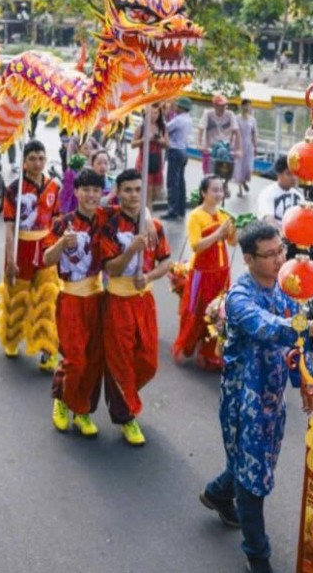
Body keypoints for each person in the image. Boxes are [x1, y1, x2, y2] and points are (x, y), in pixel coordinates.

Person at [200, 221, 313, 573]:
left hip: (272, 397)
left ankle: (216, 494)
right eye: (270, 254)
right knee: (252, 476)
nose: (279, 259)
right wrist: (307, 326)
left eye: (281, 251)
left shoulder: (285, 290)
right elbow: (266, 326)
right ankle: (257, 553)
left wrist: (303, 379)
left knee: (255, 465)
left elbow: (296, 341)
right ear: (248, 259)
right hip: (244, 400)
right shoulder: (239, 298)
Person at [99, 169, 171, 445]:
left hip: (144, 301)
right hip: (118, 300)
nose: (133, 195)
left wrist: (149, 276)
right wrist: (131, 249)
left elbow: (166, 262)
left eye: (138, 190)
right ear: (118, 192)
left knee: (148, 362)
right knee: (121, 360)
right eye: (127, 190)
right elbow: (110, 268)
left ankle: (125, 393)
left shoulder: (154, 225)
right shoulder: (110, 223)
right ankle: (126, 416)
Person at [43, 168, 109, 437]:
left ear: (101, 193)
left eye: (96, 190)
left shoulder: (105, 218)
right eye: (86, 190)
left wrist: (148, 220)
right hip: (71, 298)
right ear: (77, 192)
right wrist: (61, 243)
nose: (91, 195)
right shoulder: (64, 223)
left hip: (98, 298)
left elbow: (137, 210)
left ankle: (82, 410)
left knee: (93, 360)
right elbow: (46, 259)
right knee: (75, 359)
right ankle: (62, 400)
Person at [0, 139, 62, 371]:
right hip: (21, 248)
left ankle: (47, 349)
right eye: (32, 159)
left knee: (47, 301)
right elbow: (9, 228)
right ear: (24, 162)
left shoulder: (53, 186)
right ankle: (12, 338)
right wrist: (10, 259)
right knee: (17, 298)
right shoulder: (14, 189)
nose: (37, 163)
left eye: (41, 158)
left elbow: (56, 220)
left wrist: (58, 249)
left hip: (46, 248)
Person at [173, 175, 235, 371]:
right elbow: (196, 246)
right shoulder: (196, 216)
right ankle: (188, 345)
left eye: (221, 190)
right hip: (203, 272)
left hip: (222, 272)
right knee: (197, 311)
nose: (219, 194)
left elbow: (232, 242)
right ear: (203, 193)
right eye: (214, 190)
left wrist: (236, 230)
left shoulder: (224, 215)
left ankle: (210, 352)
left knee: (219, 313)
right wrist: (218, 233)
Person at [132, 104, 169, 212]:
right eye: (151, 113)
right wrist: (143, 140)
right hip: (143, 162)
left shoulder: (161, 128)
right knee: (146, 192)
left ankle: (146, 211)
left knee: (156, 192)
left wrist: (161, 141)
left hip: (157, 162)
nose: (154, 116)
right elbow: (133, 144)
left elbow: (168, 145)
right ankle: (148, 215)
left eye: (156, 113)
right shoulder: (141, 127)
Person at [163, 96, 193, 219]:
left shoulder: (178, 120)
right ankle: (181, 209)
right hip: (183, 151)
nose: (175, 107)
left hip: (175, 150)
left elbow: (165, 128)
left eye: (177, 106)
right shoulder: (189, 119)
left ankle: (173, 210)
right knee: (181, 181)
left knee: (172, 182)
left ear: (182, 108)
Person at [256, 156, 305, 228]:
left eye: (295, 174)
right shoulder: (267, 193)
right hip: (274, 232)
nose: (294, 178)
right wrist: (281, 232)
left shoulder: (299, 195)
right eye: (289, 174)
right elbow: (267, 218)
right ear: (279, 174)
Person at [198, 94, 239, 175]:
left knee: (225, 174)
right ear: (215, 105)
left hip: (226, 148)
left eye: (224, 105)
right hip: (210, 148)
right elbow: (201, 129)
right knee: (208, 174)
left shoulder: (230, 114)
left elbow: (236, 132)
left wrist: (239, 149)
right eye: (221, 105)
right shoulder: (208, 114)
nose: (223, 107)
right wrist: (199, 144)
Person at [234, 99, 257, 198]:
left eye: (249, 106)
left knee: (247, 167)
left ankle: (243, 182)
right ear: (242, 106)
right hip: (238, 145)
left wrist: (255, 146)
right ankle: (240, 190)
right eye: (246, 105)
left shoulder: (252, 120)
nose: (247, 108)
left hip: (248, 145)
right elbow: (233, 132)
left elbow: (254, 133)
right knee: (239, 167)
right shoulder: (236, 118)